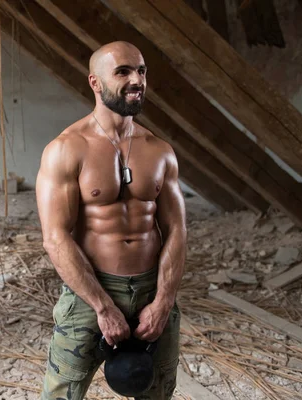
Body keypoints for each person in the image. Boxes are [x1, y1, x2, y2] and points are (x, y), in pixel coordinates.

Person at [35, 41, 187, 400]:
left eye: (141, 71)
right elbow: (55, 238)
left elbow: (176, 230)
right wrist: (102, 306)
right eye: (123, 72)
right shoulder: (66, 149)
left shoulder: (160, 150)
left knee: (158, 390)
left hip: (153, 287)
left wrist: (163, 301)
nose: (137, 80)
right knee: (61, 393)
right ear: (95, 82)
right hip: (92, 291)